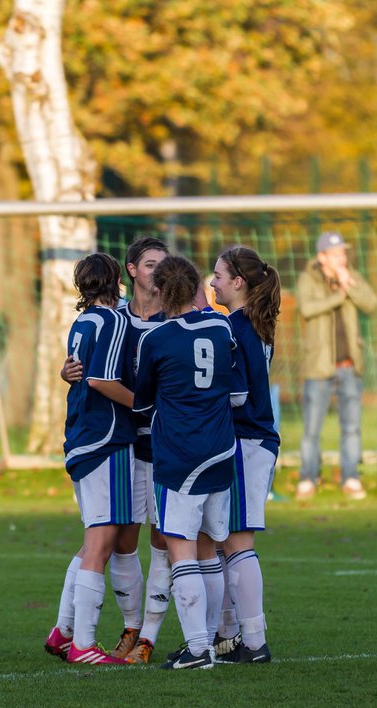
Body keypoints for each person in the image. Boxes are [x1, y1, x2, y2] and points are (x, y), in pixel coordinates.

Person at [57, 236, 172, 664]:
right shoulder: (114, 318)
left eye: (164, 264)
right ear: (130, 270)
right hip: (121, 444)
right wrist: (67, 371)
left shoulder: (174, 320)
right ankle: (129, 628)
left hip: (160, 445)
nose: (156, 272)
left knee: (166, 540)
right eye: (149, 263)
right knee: (120, 541)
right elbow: (90, 371)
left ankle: (150, 637)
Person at [133, 255, 242, 670]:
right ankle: (210, 641)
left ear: (159, 290)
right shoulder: (220, 326)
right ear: (196, 285)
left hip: (180, 455)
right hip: (220, 449)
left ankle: (198, 650)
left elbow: (142, 403)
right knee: (210, 550)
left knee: (181, 551)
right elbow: (234, 389)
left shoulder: (155, 339)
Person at [46, 253, 139, 666]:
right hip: (107, 439)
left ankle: (63, 632)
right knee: (102, 543)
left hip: (81, 435)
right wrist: (148, 405)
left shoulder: (82, 321)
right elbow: (102, 380)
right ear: (117, 279)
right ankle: (83, 644)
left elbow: (81, 374)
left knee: (92, 542)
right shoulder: (114, 320)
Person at [209, 245, 281, 663]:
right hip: (251, 441)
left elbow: (237, 394)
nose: (213, 281)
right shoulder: (247, 322)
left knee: (237, 542)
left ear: (238, 282)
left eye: (218, 275)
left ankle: (254, 642)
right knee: (225, 543)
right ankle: (231, 636)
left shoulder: (234, 327)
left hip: (247, 441)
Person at [296, 231, 377, 500]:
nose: (342, 257)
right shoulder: (309, 277)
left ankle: (351, 477)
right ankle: (308, 477)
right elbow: (307, 308)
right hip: (318, 366)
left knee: (351, 426)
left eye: (343, 252)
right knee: (312, 428)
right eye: (336, 254)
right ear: (322, 257)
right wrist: (339, 296)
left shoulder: (350, 275)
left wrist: (348, 285)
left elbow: (371, 303)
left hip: (349, 364)